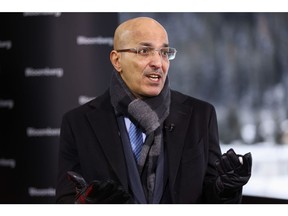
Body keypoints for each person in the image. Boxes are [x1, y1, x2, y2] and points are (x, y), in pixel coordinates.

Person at [56, 16, 252, 204]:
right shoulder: (78, 123)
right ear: (117, 61)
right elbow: (65, 200)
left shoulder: (201, 116)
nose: (158, 63)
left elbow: (213, 201)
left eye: (164, 53)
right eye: (144, 51)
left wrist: (225, 189)